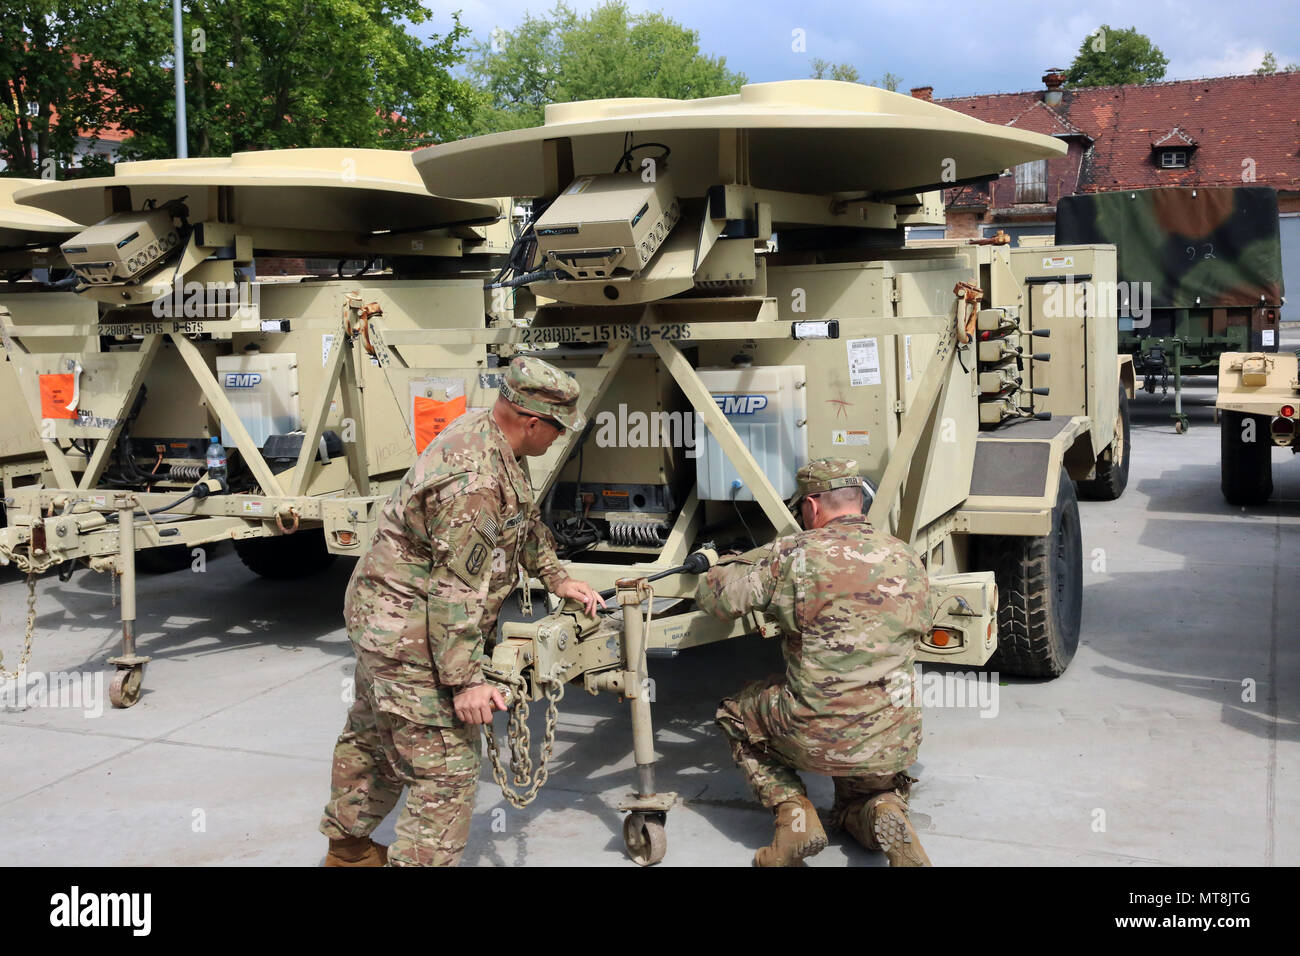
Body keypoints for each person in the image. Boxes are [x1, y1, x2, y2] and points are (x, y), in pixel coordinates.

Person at [319, 356, 604, 867]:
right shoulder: (474, 482)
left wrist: (558, 579)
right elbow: (455, 593)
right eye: (558, 428)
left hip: (383, 618)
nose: (560, 438)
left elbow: (522, 519)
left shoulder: (491, 436)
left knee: (375, 738)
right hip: (409, 630)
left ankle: (349, 853)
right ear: (532, 421)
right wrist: (466, 682)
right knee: (446, 769)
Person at [696, 458, 932, 867]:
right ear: (858, 502)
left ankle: (795, 818)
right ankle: (885, 813)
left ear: (812, 506)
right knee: (862, 797)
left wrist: (723, 564)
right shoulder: (906, 556)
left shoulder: (793, 552)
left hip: (813, 728)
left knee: (735, 716)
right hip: (891, 733)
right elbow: (922, 627)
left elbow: (720, 600)